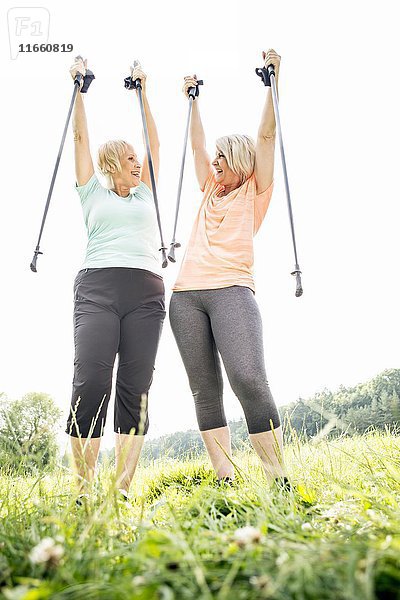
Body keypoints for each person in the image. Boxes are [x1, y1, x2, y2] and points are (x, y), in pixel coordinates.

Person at [169, 49, 290, 487]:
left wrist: (273, 83)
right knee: (205, 391)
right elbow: (196, 145)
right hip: (185, 298)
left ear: (237, 160)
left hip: (233, 291)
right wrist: (193, 99)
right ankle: (225, 478)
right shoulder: (207, 190)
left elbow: (267, 137)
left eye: (221, 159)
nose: (213, 164)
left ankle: (278, 479)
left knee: (249, 379)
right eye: (214, 159)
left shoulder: (254, 191)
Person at [65, 58, 166, 502]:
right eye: (129, 159)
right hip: (98, 289)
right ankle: (85, 488)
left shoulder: (145, 191)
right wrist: (79, 90)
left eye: (137, 158)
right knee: (90, 381)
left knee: (135, 387)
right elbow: (81, 137)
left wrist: (142, 91)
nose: (137, 163)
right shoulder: (91, 190)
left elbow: (154, 143)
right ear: (112, 163)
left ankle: (121, 489)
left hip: (146, 292)